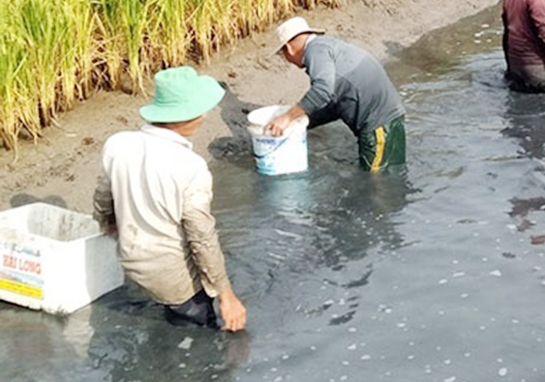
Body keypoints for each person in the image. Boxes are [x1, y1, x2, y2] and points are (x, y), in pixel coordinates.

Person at [93, 66, 247, 331]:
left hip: (130, 260)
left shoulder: (118, 144)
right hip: (174, 279)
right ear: (190, 115)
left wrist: (108, 223)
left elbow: (103, 199)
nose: (206, 114)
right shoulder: (191, 167)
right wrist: (226, 295)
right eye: (202, 109)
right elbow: (202, 238)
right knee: (201, 337)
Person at [265, 16, 406, 173]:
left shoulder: (315, 52)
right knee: (393, 173)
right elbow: (334, 101)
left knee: (376, 183)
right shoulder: (327, 46)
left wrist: (287, 117)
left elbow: (322, 91)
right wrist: (302, 122)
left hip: (378, 126)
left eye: (282, 54)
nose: (286, 59)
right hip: (390, 117)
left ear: (289, 48)